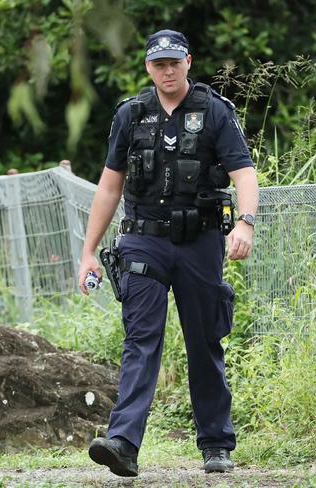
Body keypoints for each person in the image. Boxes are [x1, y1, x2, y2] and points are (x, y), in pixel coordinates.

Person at [77, 29, 259, 477]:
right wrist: (88, 252)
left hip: (200, 242)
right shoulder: (131, 114)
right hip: (144, 240)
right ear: (148, 68)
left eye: (174, 62)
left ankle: (216, 444)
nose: (168, 70)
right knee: (141, 339)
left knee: (204, 342)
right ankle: (122, 443)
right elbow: (110, 185)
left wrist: (245, 222)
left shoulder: (215, 111)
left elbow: (244, 173)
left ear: (188, 62)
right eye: (159, 64)